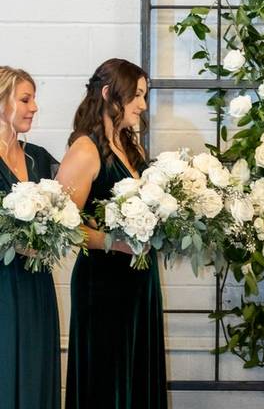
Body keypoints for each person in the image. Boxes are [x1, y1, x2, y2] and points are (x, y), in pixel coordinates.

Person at [59, 58, 167, 409]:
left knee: (137, 374)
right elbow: (61, 225)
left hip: (139, 282)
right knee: (107, 380)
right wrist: (110, 241)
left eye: (144, 95)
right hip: (103, 285)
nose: (143, 105)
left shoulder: (131, 147)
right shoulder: (85, 150)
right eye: (136, 95)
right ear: (108, 94)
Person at [0, 67, 61, 409]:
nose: (34, 107)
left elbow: (67, 213)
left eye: (34, 98)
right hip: (3, 287)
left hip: (37, 282)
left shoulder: (37, 157)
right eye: (25, 99)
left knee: (37, 368)